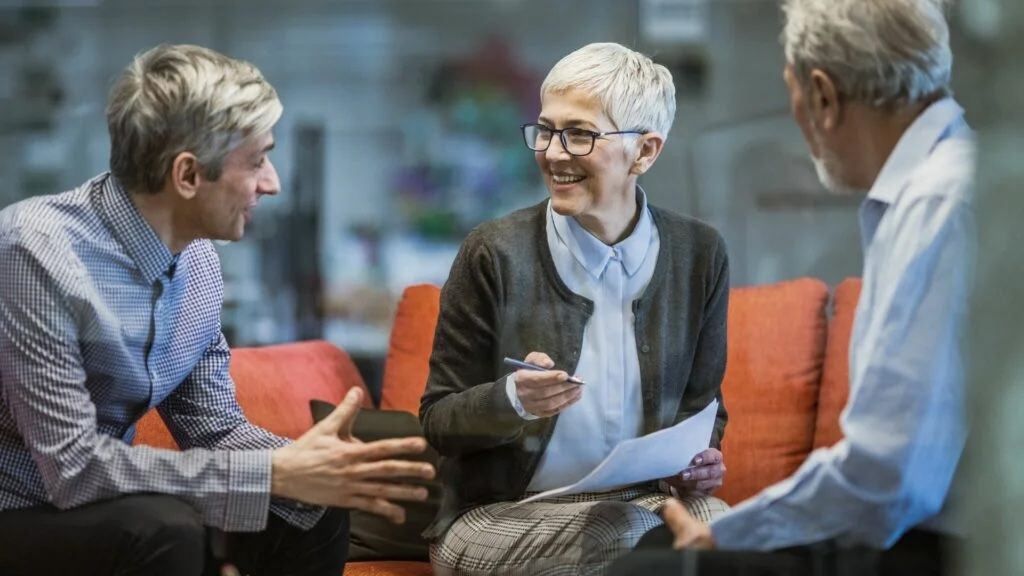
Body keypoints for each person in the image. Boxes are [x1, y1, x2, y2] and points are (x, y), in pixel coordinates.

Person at [0, 44, 434, 576]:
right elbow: (72, 468)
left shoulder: (198, 260)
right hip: (20, 504)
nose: (271, 183)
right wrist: (274, 472)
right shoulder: (34, 250)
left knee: (312, 503)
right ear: (187, 175)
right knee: (163, 528)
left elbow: (213, 427)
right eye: (256, 161)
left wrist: (316, 466)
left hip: (101, 501)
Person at [612, 1, 973, 574]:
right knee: (655, 550)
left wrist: (731, 534)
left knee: (646, 566)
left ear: (824, 95)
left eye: (794, 94)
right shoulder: (944, 183)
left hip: (940, 549)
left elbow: (888, 477)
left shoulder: (940, 204)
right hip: (912, 529)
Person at [419, 42, 731, 575]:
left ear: (645, 152)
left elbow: (705, 408)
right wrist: (512, 400)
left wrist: (697, 466)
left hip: (640, 503)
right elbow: (438, 420)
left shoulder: (699, 253)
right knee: (623, 537)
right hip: (496, 514)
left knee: (726, 531)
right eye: (546, 129)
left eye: (580, 134)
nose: (554, 153)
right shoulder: (494, 251)